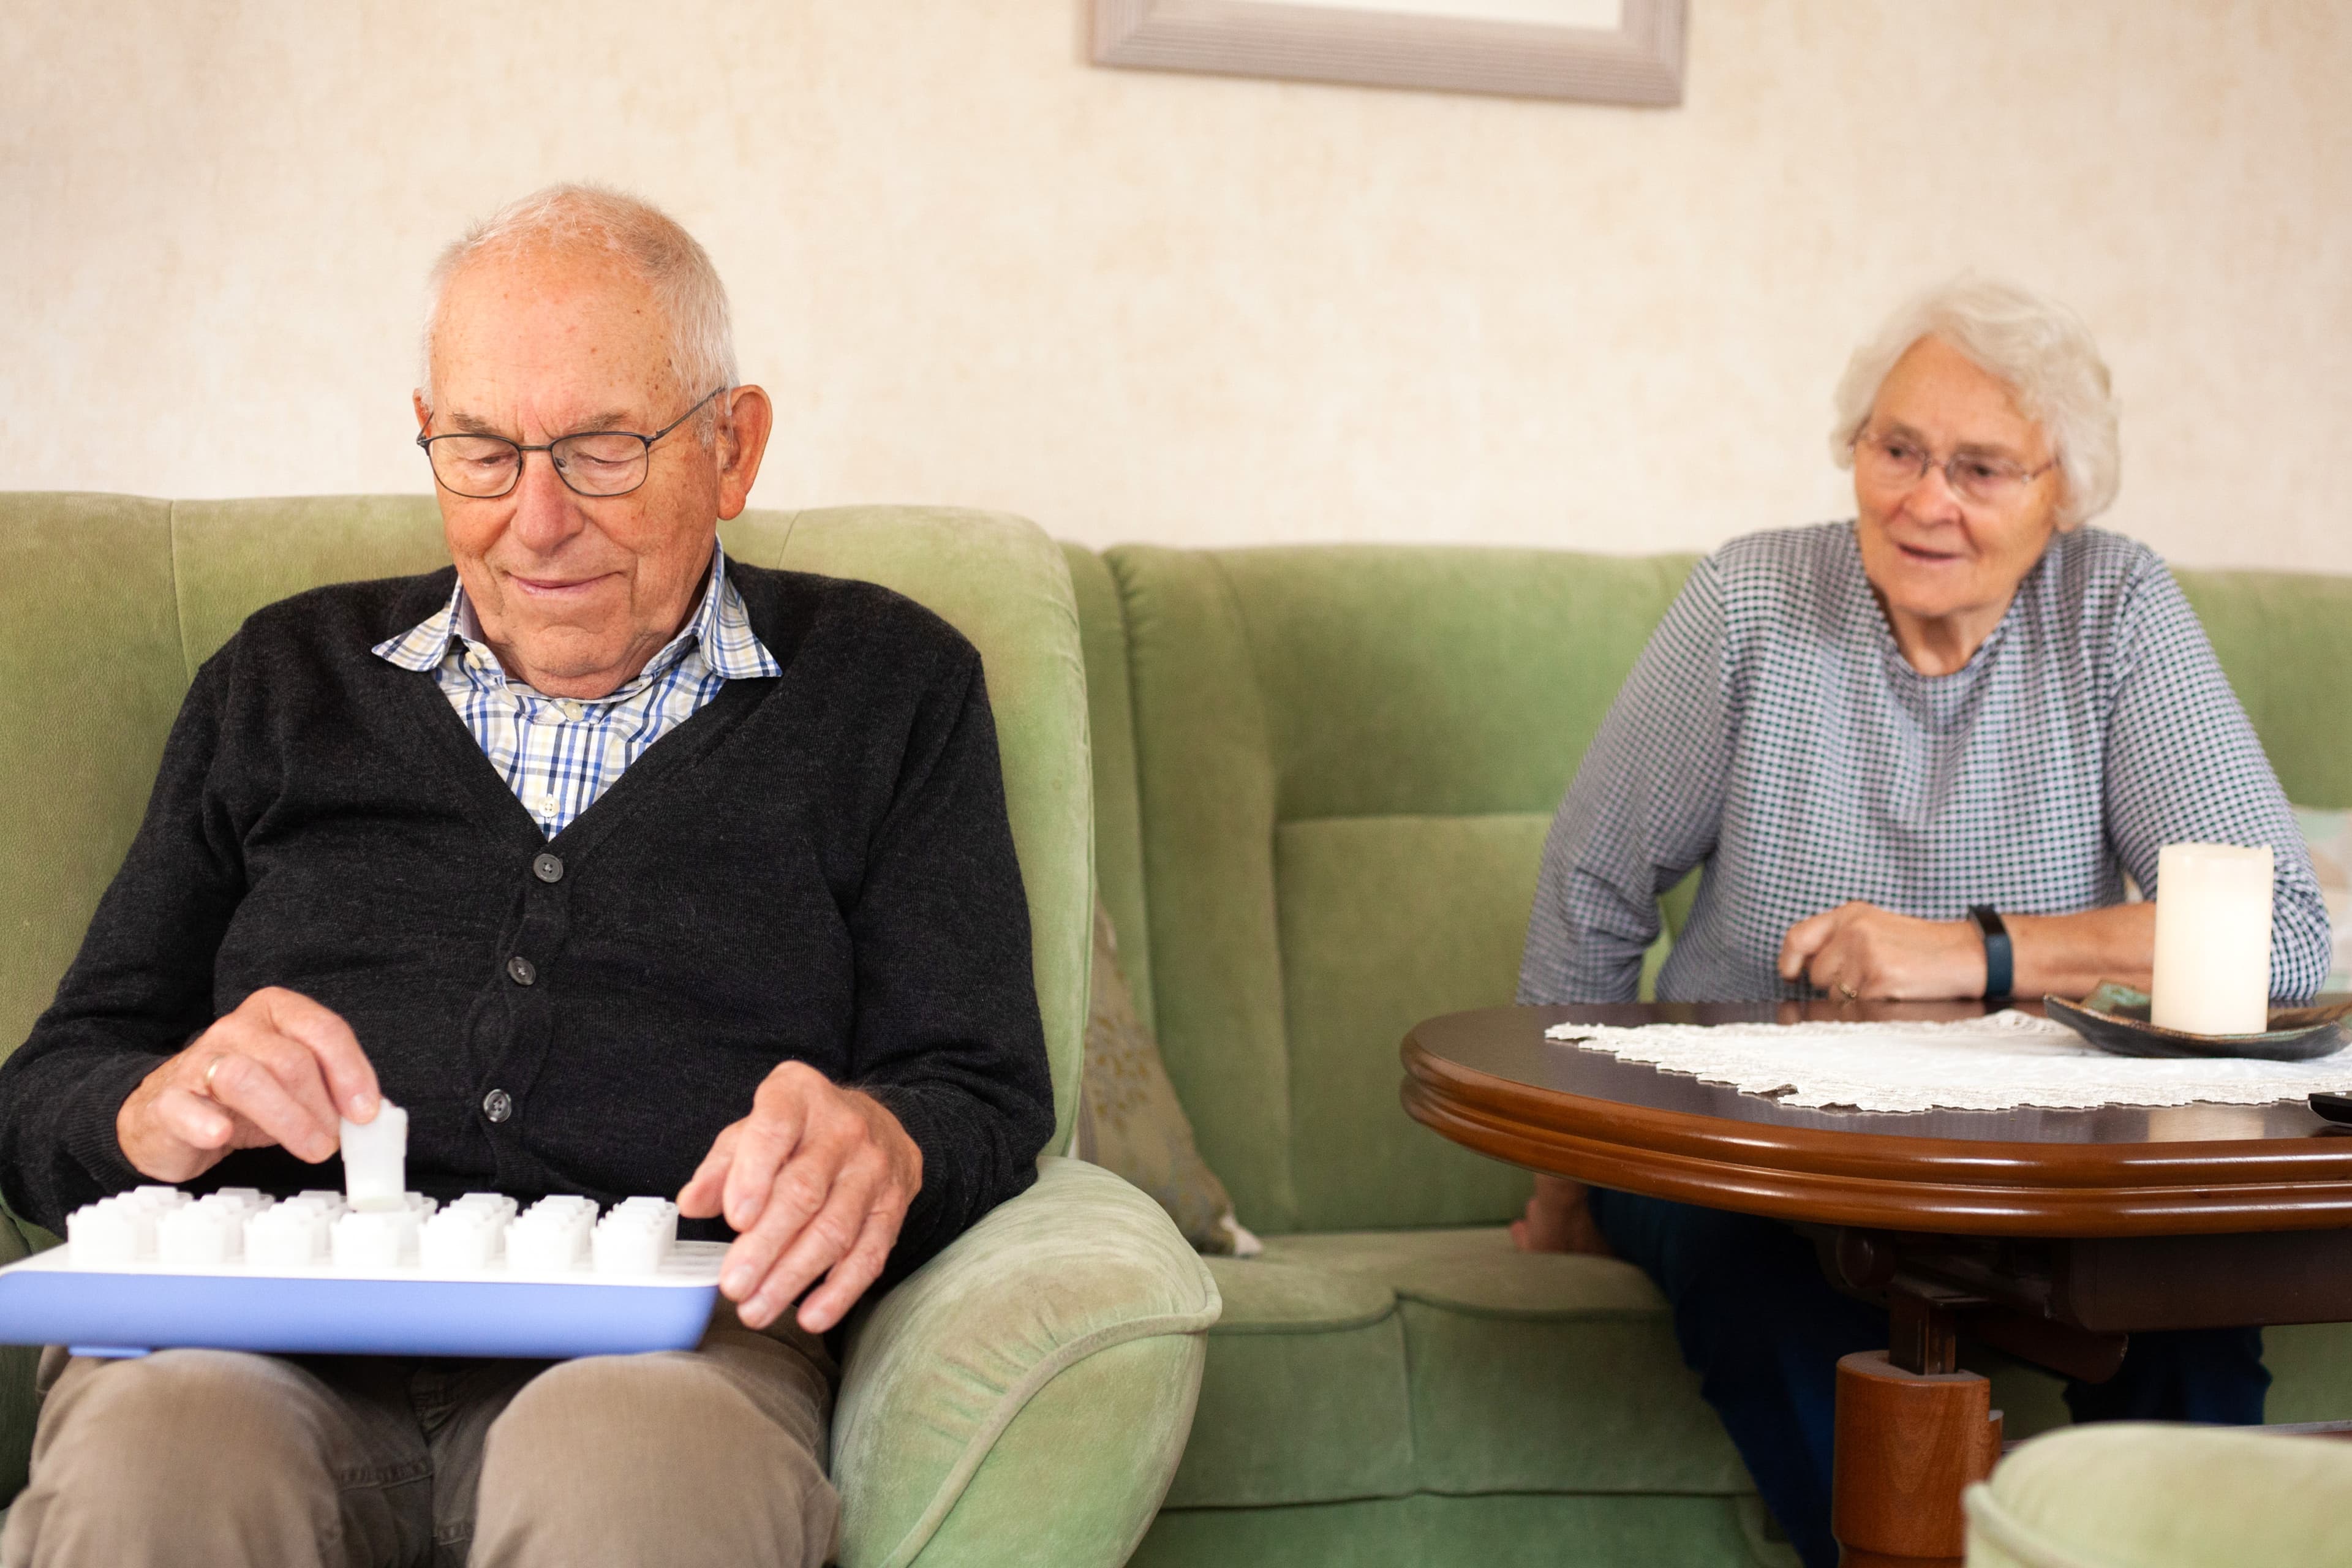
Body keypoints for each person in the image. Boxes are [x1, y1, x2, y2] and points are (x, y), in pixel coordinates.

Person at [0, 184, 1055, 1568]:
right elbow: (46, 1094)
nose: (536, 519)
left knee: (633, 1472)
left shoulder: (889, 689)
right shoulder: (279, 680)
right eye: (482, 452)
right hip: (254, 1333)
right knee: (159, 1453)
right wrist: (154, 1104)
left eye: (603, 450)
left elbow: (980, 1090)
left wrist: (885, 1139)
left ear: (731, 449)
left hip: (666, 1349)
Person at [1513, 277, 2330, 1568]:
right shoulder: (1751, 603)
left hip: (2048, 1173)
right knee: (1768, 1301)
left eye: (1982, 467)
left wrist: (1979, 951)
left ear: (2064, 493)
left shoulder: (2116, 610)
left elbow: (2279, 929)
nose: (1924, 499)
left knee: (2190, 1330)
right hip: (1755, 1158)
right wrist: (1560, 1187)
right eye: (1897, 449)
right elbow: (1593, 887)